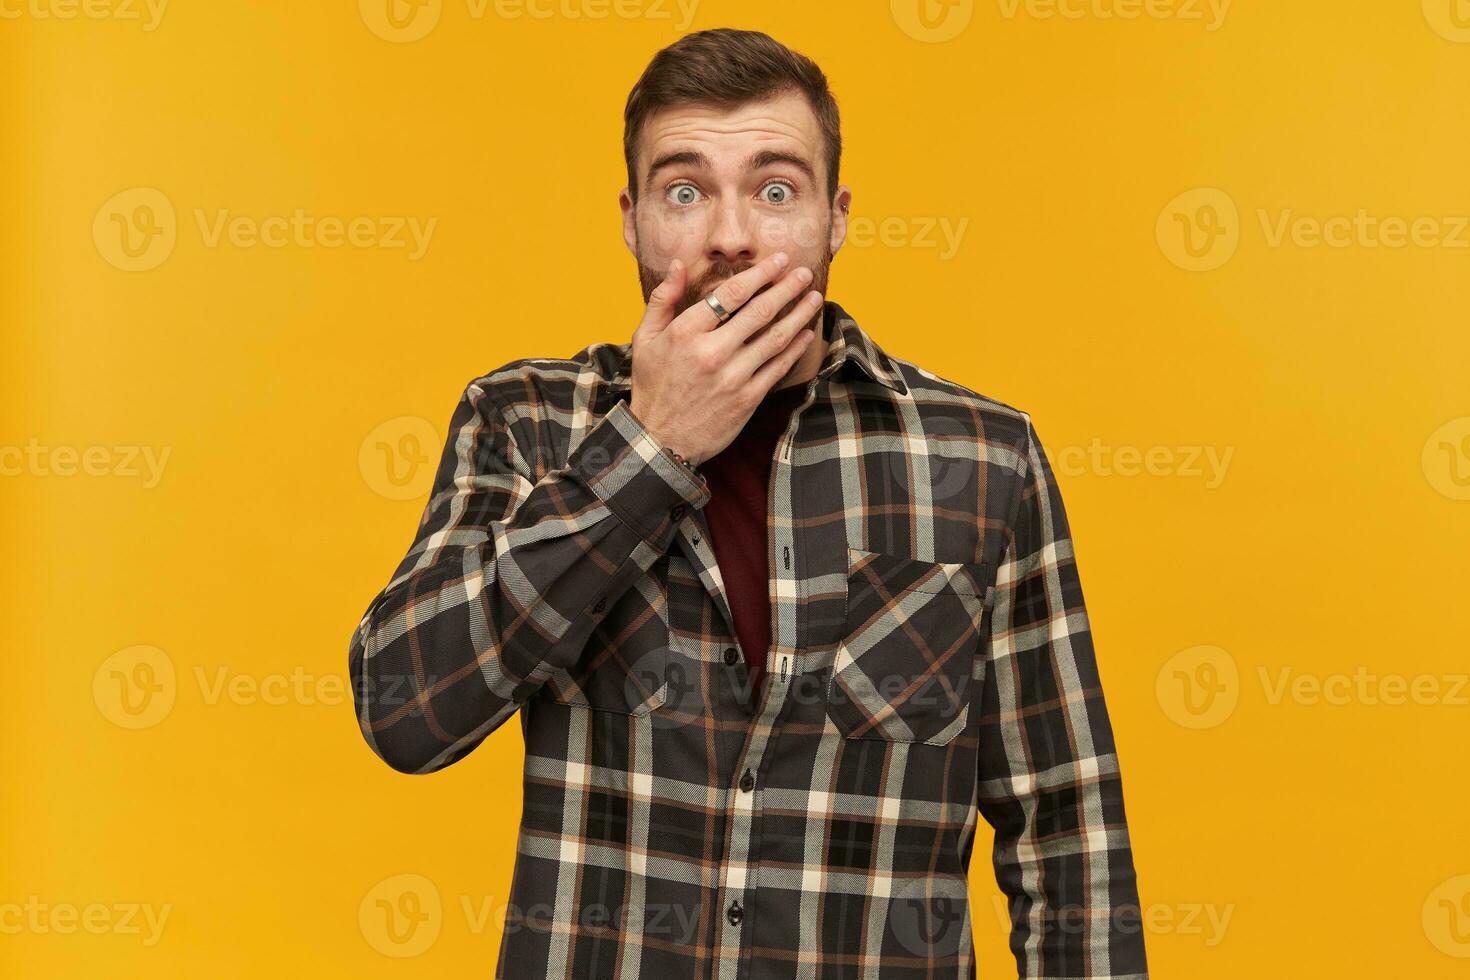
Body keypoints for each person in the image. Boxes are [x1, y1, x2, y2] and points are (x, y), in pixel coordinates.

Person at [348, 27, 1148, 979]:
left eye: (776, 190)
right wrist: (651, 447)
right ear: (631, 218)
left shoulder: (981, 458)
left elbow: (1068, 840)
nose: (729, 235)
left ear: (836, 218)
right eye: (683, 190)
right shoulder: (522, 423)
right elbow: (407, 713)